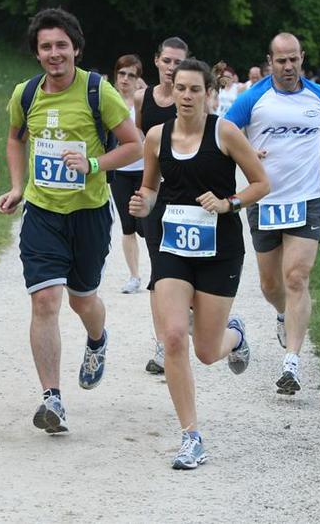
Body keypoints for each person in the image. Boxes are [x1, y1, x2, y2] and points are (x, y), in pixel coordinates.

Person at [0, 8, 142, 434]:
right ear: (37, 53)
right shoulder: (25, 94)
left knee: (82, 300)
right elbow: (15, 139)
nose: (54, 53)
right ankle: (52, 399)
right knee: (45, 300)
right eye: (46, 47)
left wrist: (93, 164)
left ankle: (97, 340)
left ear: (76, 48)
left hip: (88, 213)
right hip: (42, 212)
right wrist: (18, 186)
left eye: (61, 45)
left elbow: (133, 146)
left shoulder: (99, 91)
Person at [129, 59, 269, 469]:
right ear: (171, 91)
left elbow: (262, 182)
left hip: (219, 249)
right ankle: (191, 437)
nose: (187, 96)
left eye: (195, 89)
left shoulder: (225, 132)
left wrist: (229, 203)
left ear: (209, 93)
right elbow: (150, 189)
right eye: (180, 88)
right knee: (174, 337)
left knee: (206, 351)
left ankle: (235, 337)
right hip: (173, 246)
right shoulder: (156, 136)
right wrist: (142, 203)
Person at [225, 32, 320, 395]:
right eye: (281, 61)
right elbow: (224, 131)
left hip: (306, 199)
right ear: (270, 62)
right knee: (271, 285)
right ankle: (283, 313)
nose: (288, 66)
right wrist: (245, 151)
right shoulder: (253, 98)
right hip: (264, 200)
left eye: (294, 59)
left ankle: (291, 362)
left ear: (302, 57)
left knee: (296, 277)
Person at [134, 36, 189, 375]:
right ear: (156, 61)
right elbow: (139, 143)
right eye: (167, 61)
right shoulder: (142, 98)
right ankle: (162, 345)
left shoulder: (191, 99)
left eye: (178, 62)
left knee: (187, 271)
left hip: (187, 195)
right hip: (155, 193)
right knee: (158, 271)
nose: (171, 68)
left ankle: (193, 319)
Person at [110, 54, 146, 294]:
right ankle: (134, 276)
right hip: (120, 172)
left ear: (138, 79)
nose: (125, 79)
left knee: (146, 225)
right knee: (127, 225)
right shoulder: (109, 101)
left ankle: (161, 272)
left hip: (144, 170)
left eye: (130, 75)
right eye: (121, 73)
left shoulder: (143, 102)